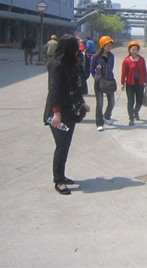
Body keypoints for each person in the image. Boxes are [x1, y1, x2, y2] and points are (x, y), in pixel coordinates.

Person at [43, 35, 90, 195]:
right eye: (76, 48)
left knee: (65, 145)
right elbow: (54, 91)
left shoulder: (70, 64)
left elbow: (75, 87)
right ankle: (58, 181)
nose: (78, 51)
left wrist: (82, 102)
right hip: (58, 113)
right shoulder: (56, 66)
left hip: (69, 111)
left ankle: (61, 175)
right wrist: (57, 114)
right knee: (61, 146)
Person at [90, 36, 116, 131]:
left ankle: (107, 116)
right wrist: (97, 77)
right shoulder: (95, 57)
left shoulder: (111, 56)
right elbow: (91, 69)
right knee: (100, 103)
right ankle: (99, 123)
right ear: (102, 46)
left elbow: (111, 67)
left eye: (110, 45)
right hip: (99, 82)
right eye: (107, 45)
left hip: (109, 81)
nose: (109, 47)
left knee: (112, 102)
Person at [121, 41, 147, 126]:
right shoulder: (126, 61)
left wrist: (145, 81)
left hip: (140, 83)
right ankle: (131, 118)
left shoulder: (142, 60)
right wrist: (122, 83)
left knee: (139, 101)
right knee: (130, 102)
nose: (135, 51)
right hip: (130, 83)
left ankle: (136, 112)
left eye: (136, 49)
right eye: (133, 50)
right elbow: (123, 73)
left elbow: (144, 70)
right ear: (129, 50)